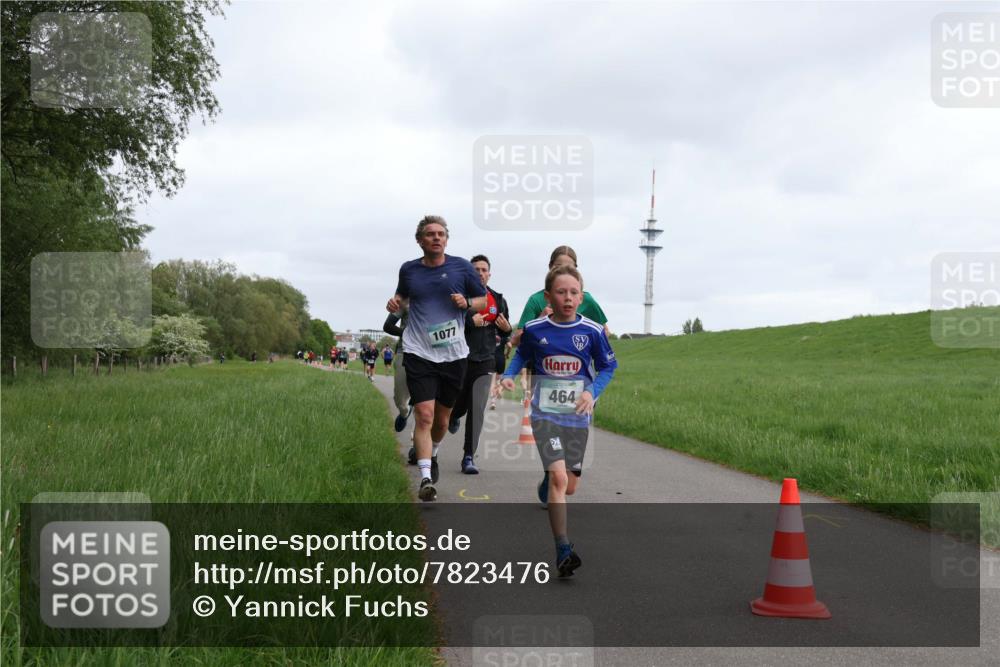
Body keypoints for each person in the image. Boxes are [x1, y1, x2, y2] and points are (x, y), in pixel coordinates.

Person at [496, 265, 617, 577]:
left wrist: (591, 392)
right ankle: (563, 548)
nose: (568, 298)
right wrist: (509, 375)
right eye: (561, 292)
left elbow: (608, 366)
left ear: (582, 296)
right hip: (544, 415)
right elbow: (522, 355)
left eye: (574, 292)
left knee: (570, 486)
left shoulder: (591, 331)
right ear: (549, 295)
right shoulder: (536, 328)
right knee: (561, 480)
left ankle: (548, 482)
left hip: (577, 417)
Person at [386, 215, 486, 502]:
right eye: (430, 234)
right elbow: (402, 298)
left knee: (442, 421)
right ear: (420, 240)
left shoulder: (461, 268)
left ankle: (435, 451)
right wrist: (396, 303)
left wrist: (467, 303)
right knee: (425, 415)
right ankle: (426, 478)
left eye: (441, 233)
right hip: (419, 351)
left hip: (454, 354)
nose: (436, 238)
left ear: (446, 238)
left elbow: (482, 301)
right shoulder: (409, 270)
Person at [448, 254, 511, 474]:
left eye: (484, 270)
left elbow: (505, 332)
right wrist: (468, 321)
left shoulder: (498, 299)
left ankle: (468, 457)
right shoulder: (459, 299)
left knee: (477, 410)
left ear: (489, 274)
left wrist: (507, 332)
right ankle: (454, 415)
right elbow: (446, 325)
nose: (480, 273)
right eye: (476, 270)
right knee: (460, 404)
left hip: (486, 361)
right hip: (461, 359)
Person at [383, 306, 413, 434]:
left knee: (425, 410)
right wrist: (407, 333)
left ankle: (419, 448)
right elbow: (387, 326)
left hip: (431, 354)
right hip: (405, 351)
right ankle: (404, 412)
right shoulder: (406, 300)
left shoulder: (441, 296)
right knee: (400, 399)